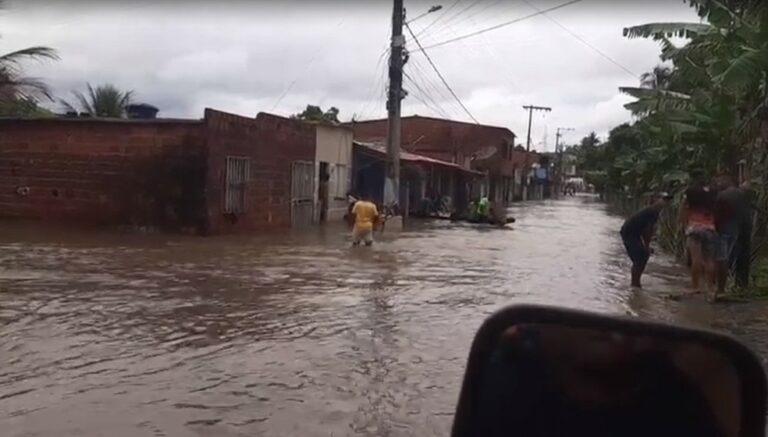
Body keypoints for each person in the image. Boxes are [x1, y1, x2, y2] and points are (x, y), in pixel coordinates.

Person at [620, 194, 671, 288]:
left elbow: (646, 230)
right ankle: (635, 284)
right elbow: (648, 230)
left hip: (633, 233)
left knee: (642, 257)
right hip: (630, 233)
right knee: (640, 258)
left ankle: (635, 284)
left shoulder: (652, 210)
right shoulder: (654, 212)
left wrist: (646, 246)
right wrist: (646, 246)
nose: (663, 203)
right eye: (663, 200)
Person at [713, 176, 753, 293]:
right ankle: (741, 284)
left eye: (719, 182)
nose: (718, 184)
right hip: (745, 226)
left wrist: (716, 227)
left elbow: (717, 215)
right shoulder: (743, 194)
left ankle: (721, 288)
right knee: (743, 255)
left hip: (727, 228)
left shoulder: (722, 195)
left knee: (723, 257)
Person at [680, 182, 718, 298]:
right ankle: (710, 287)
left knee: (696, 259)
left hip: (694, 229)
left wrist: (683, 225)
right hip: (710, 229)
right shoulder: (712, 195)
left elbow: (683, 210)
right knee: (709, 260)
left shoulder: (691, 194)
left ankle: (695, 286)